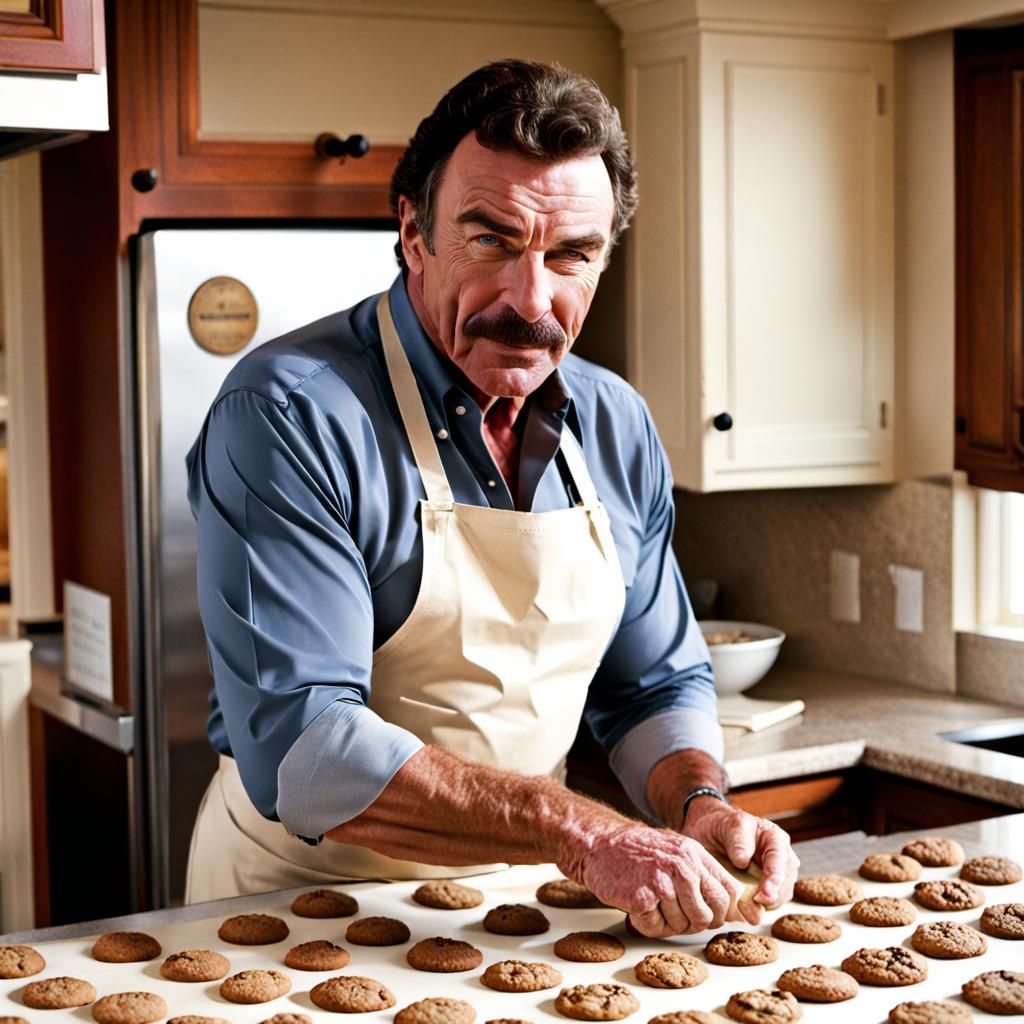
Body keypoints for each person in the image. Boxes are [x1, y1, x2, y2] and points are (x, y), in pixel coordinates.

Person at [185, 58, 798, 934]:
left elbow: (653, 684)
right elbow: (304, 750)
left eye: (571, 256)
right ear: (413, 234)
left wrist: (697, 801)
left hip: (508, 907)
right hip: (294, 907)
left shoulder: (615, 422)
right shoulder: (287, 413)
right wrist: (577, 829)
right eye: (492, 241)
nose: (529, 300)